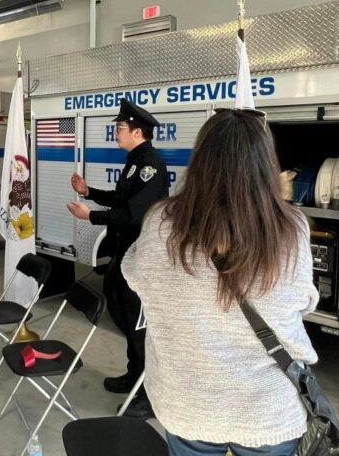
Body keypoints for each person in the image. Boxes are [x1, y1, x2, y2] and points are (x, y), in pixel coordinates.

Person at [122, 109, 319, 456]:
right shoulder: (293, 228)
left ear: (200, 161)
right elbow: (304, 301)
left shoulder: (161, 223)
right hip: (268, 408)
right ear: (265, 164)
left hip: (188, 402)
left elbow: (134, 276)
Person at [67, 98, 168, 418]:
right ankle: (133, 372)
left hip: (140, 254)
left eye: (120, 128)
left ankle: (149, 393)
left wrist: (90, 217)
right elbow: (120, 198)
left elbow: (132, 213)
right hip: (125, 253)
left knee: (138, 323)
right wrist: (89, 192)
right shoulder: (136, 160)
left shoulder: (150, 165)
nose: (116, 132)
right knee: (120, 309)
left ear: (137, 132)